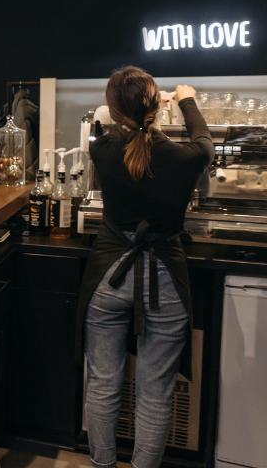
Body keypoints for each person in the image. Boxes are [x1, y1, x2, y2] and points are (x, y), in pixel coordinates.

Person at [78, 67, 213, 468]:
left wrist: (136, 107)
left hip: (108, 276)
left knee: (102, 385)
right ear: (156, 106)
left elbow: (105, 120)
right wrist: (186, 99)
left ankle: (102, 464)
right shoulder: (187, 157)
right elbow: (204, 140)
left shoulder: (101, 149)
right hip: (165, 281)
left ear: (115, 109)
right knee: (155, 392)